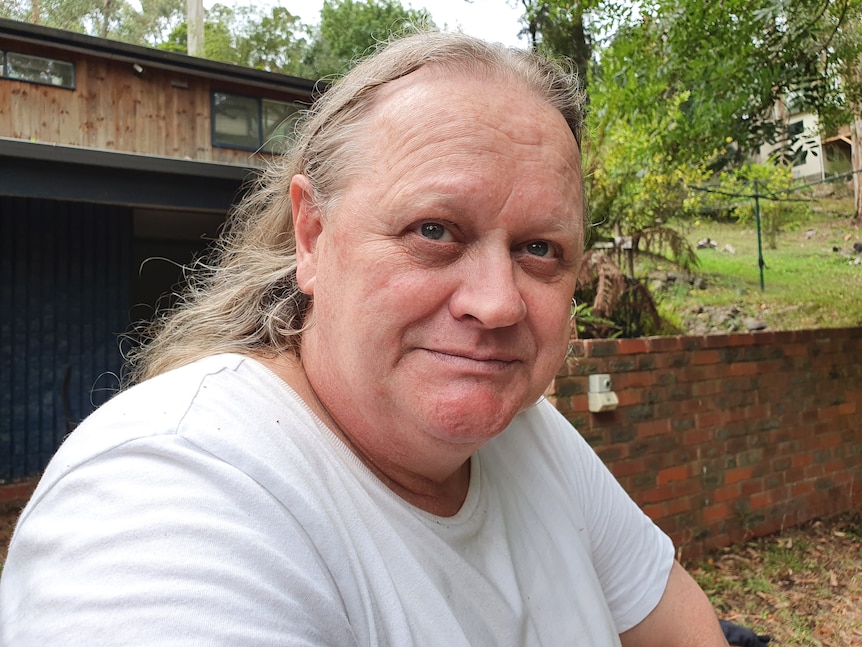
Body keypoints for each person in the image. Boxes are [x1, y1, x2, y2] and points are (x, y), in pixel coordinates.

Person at [0, 32, 729, 645]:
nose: (498, 302)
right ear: (311, 237)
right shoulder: (166, 498)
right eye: (434, 231)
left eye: (540, 248)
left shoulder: (530, 440)